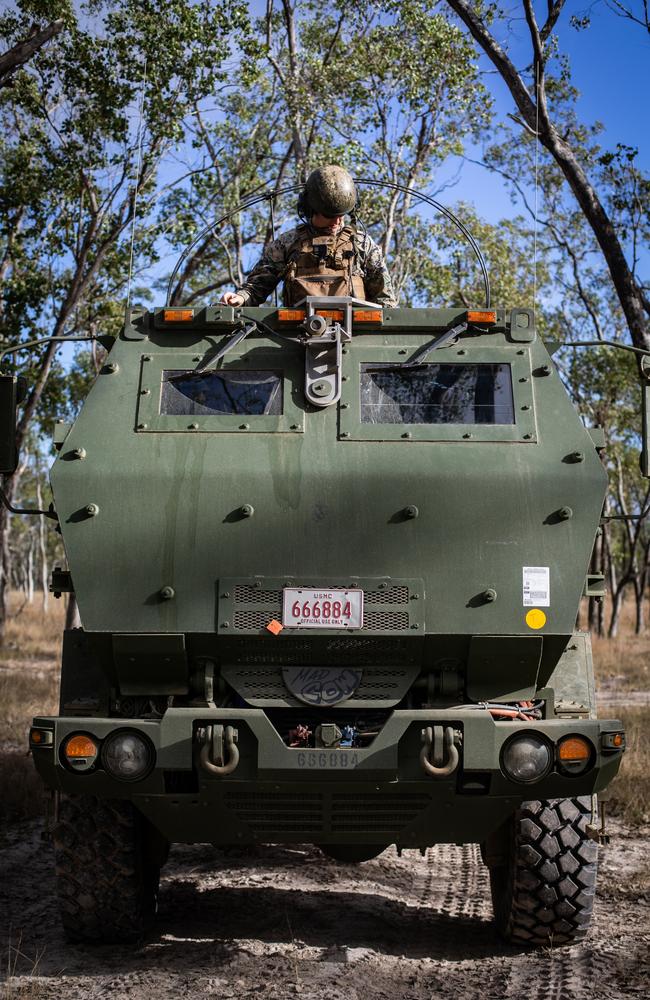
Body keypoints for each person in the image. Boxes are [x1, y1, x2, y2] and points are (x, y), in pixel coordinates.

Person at [220, 165, 398, 309]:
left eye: (342, 214)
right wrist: (240, 298)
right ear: (311, 209)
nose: (337, 221)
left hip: (355, 341)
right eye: (329, 215)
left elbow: (386, 302)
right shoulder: (287, 243)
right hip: (296, 337)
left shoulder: (362, 244)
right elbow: (258, 286)